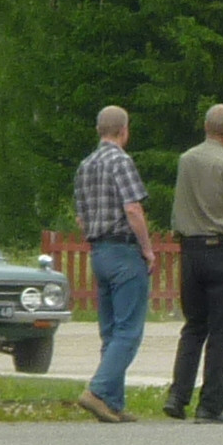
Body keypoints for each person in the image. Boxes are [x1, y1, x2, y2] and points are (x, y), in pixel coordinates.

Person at [165, 101, 223, 425]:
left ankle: (178, 396)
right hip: (219, 248)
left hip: (189, 249)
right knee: (220, 331)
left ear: (206, 127)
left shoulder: (186, 160)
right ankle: (210, 404)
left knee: (193, 326)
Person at [71, 105, 154, 423]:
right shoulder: (121, 161)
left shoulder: (85, 165)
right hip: (123, 251)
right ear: (124, 130)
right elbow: (133, 208)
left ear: (98, 130)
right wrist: (147, 249)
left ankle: (113, 402)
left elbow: (81, 216)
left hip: (98, 252)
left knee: (110, 331)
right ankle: (98, 390)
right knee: (128, 331)